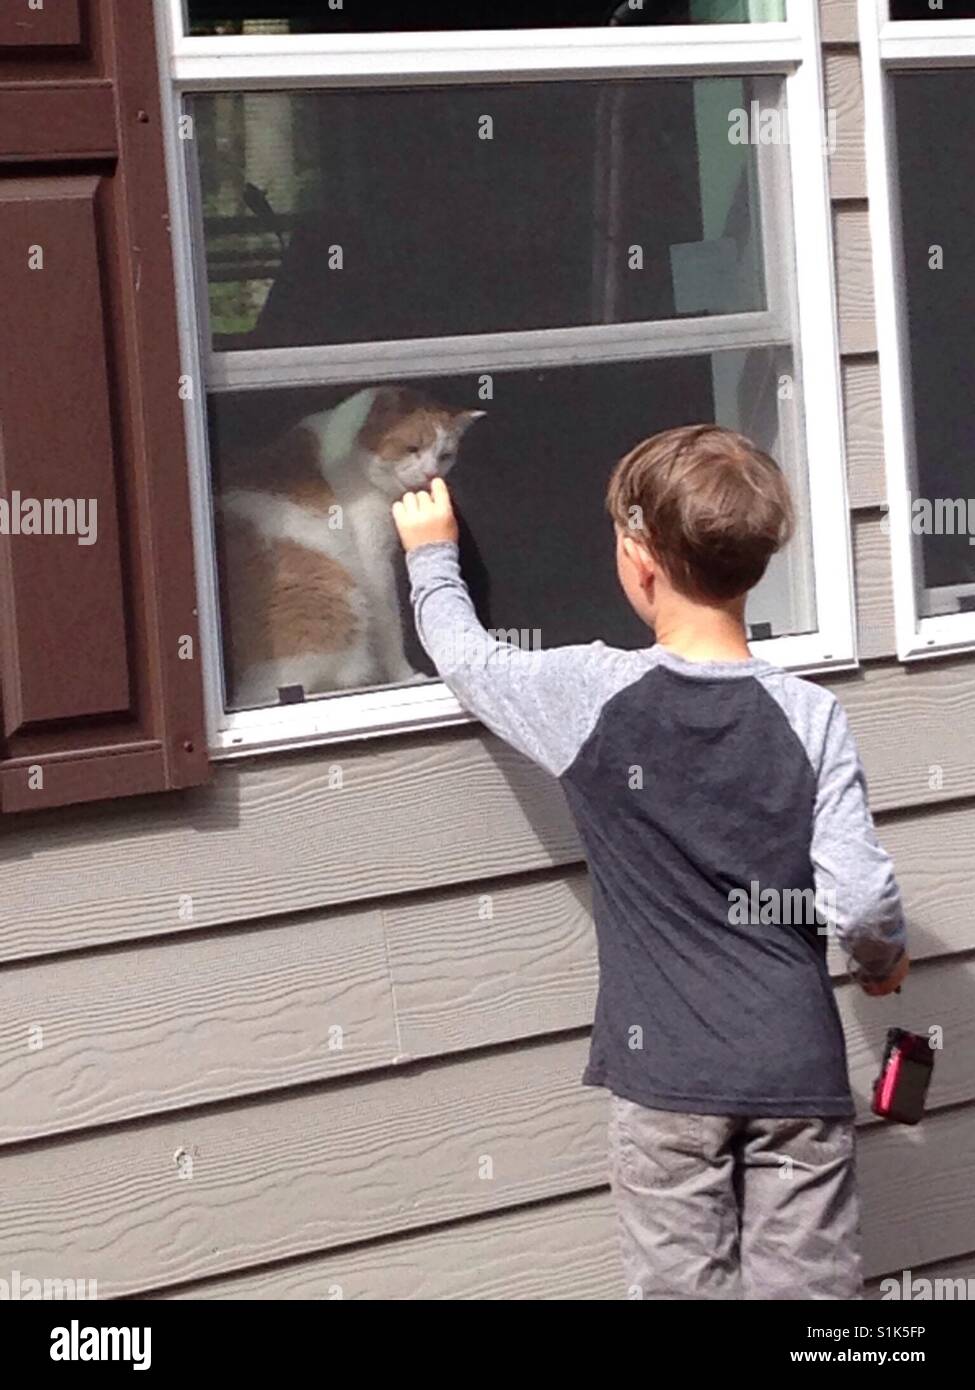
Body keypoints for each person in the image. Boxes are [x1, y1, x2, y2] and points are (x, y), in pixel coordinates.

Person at [392, 424, 909, 1300]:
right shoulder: (811, 717)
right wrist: (881, 962)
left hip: (665, 1076)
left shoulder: (592, 697)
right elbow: (858, 903)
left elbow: (468, 661)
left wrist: (431, 556)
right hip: (795, 1069)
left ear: (639, 564)